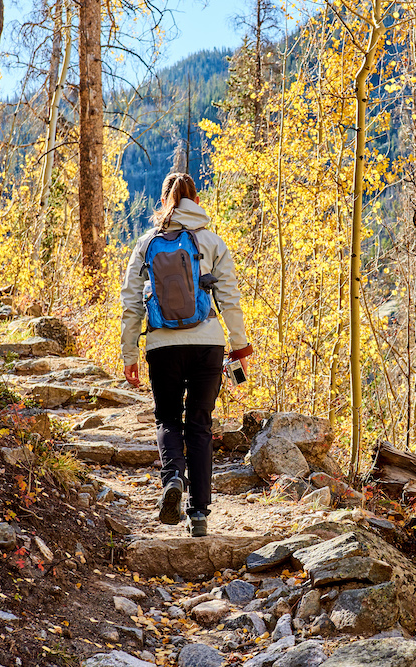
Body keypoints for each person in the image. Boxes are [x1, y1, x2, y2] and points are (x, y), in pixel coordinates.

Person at [120, 172, 252, 537]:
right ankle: (198, 514)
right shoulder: (211, 242)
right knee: (200, 424)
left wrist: (130, 351)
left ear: (165, 200)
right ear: (196, 199)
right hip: (207, 343)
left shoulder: (146, 243)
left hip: (162, 346)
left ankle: (173, 477)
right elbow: (230, 299)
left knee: (167, 419)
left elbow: (131, 303)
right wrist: (240, 346)